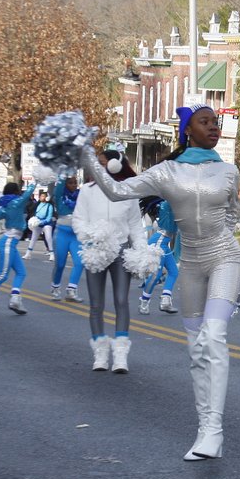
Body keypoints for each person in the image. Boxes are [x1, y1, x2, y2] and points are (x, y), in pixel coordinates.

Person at [80, 103, 240, 461]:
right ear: (189, 131)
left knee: (213, 338)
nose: (214, 128)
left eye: (216, 123)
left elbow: (231, 215)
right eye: (205, 123)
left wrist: (233, 271)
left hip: (225, 258)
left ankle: (214, 430)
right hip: (190, 265)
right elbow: (115, 190)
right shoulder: (166, 172)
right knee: (196, 351)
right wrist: (86, 154)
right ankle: (205, 432)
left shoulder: (228, 171)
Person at [74, 148, 147, 374]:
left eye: (102, 162)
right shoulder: (87, 191)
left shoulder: (127, 192)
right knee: (96, 303)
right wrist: (91, 237)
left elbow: (136, 225)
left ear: (114, 165)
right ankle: (100, 354)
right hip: (96, 250)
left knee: (121, 300)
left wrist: (141, 250)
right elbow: (78, 220)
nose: (98, 166)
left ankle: (120, 357)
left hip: (120, 250)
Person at [0, 181, 37, 314]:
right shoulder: (17, 203)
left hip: (10, 242)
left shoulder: (5, 205)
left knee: (21, 272)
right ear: (16, 192)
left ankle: (15, 300)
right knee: (3, 275)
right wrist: (36, 181)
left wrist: (3, 205)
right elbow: (27, 194)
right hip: (9, 242)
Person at [138, 197, 179, 314]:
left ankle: (165, 301)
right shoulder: (169, 204)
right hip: (160, 241)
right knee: (156, 274)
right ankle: (144, 303)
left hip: (164, 242)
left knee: (173, 271)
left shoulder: (173, 203)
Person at [50, 177, 85, 302]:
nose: (74, 185)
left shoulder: (81, 196)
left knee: (80, 262)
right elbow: (59, 186)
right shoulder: (59, 196)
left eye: (75, 182)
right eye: (70, 183)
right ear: (65, 184)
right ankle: (55, 287)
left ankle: (71, 290)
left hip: (76, 234)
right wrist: (65, 169)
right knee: (60, 264)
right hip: (61, 233)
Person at [24, 190, 55, 261]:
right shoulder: (38, 204)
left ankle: (52, 254)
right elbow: (35, 212)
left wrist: (42, 222)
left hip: (47, 223)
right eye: (40, 196)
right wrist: (34, 220)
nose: (41, 197)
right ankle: (28, 253)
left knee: (48, 238)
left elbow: (49, 217)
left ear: (47, 197)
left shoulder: (49, 206)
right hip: (37, 222)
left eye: (43, 196)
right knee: (33, 238)